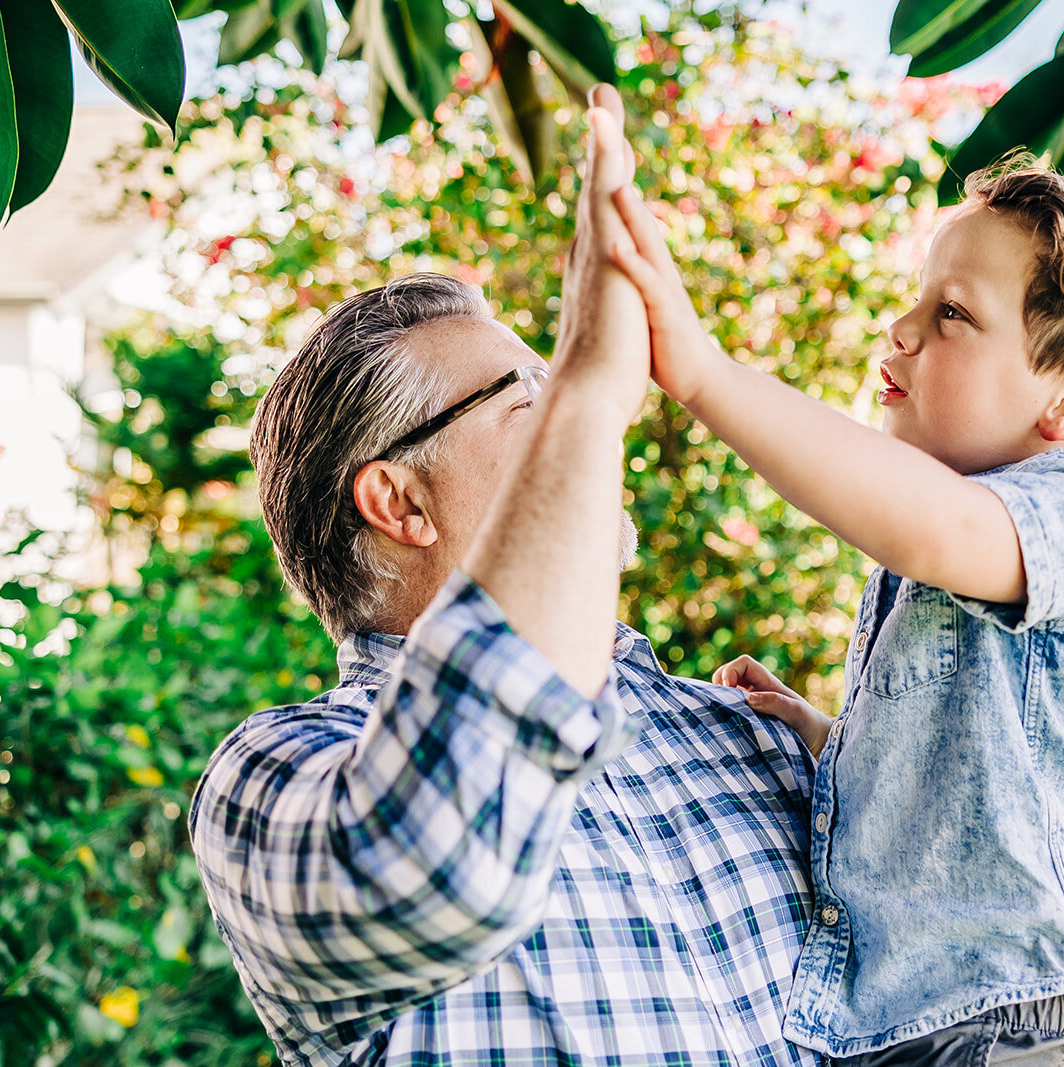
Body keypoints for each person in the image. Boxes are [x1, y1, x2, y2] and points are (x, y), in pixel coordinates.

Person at [188, 89, 821, 1066]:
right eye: (527, 394)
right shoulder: (278, 774)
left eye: (562, 373)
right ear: (399, 502)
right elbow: (439, 868)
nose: (590, 403)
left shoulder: (751, 735)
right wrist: (588, 390)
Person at [604, 155, 1064, 1065]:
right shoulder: (959, 549)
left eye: (952, 313)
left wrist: (705, 373)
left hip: (1011, 1020)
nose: (903, 329)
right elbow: (967, 778)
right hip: (900, 1023)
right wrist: (832, 737)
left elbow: (930, 526)